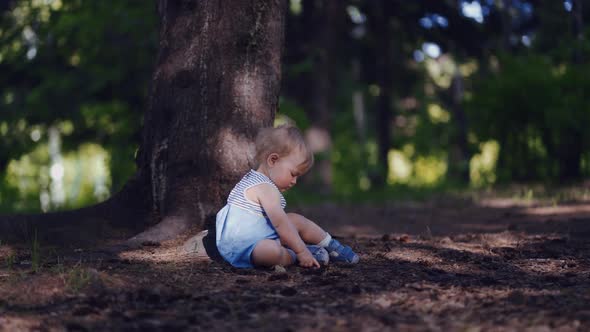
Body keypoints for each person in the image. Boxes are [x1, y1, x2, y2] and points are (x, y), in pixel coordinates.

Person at [215, 124, 360, 269]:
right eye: (293, 174)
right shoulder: (265, 188)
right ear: (273, 160)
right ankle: (296, 255)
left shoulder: (252, 179)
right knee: (270, 251)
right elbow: (280, 224)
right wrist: (301, 251)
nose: (294, 181)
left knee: (296, 220)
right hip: (248, 247)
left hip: (254, 237)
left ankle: (331, 246)